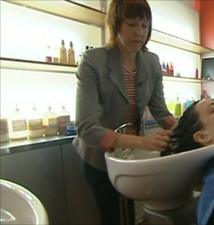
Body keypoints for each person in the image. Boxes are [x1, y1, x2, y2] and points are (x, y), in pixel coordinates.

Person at [73, 0, 176, 224]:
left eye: (145, 26)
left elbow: (160, 110)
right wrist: (144, 143)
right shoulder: (92, 62)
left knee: (127, 213)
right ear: (115, 24)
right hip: (99, 158)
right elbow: (86, 128)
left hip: (129, 157)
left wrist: (187, 127)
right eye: (131, 25)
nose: (139, 33)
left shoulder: (151, 62)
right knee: (111, 216)